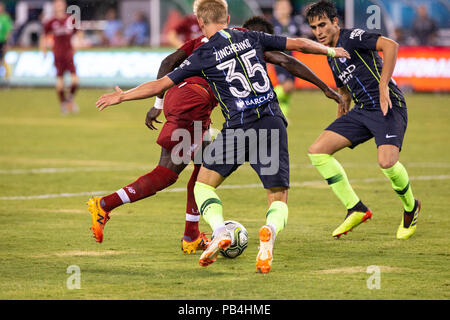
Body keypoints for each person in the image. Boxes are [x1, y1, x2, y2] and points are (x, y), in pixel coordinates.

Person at [94, 0, 349, 273]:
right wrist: (330, 51)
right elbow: (297, 45)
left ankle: (218, 230)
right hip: (272, 123)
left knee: (203, 185)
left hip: (238, 125)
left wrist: (123, 96)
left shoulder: (203, 53)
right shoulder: (251, 36)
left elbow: (162, 81)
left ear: (201, 24)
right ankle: (269, 234)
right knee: (278, 196)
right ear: (228, 18)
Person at [305, 0, 421, 240]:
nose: (319, 32)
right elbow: (344, 86)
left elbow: (391, 46)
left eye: (323, 25)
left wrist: (383, 85)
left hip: (387, 105)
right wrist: (343, 105)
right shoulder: (331, 54)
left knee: (387, 163)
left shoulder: (353, 37)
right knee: (317, 151)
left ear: (335, 22)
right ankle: (355, 208)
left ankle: (411, 207)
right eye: (314, 27)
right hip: (362, 110)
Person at [41, 0, 79, 115]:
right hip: (58, 54)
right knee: (60, 82)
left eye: (61, 5)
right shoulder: (51, 21)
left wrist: (77, 43)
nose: (59, 7)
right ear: (54, 7)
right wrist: (43, 50)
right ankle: (63, 103)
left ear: (64, 6)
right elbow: (44, 36)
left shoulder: (70, 19)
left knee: (75, 81)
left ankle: (70, 99)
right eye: (57, 5)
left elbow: (78, 33)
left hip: (69, 54)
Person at [271, 0, 301, 118]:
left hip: (291, 58)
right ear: (276, 8)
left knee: (290, 88)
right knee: (286, 86)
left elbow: (301, 37)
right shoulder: (272, 23)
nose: (284, 9)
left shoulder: (294, 23)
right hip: (278, 58)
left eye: (286, 6)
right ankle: (265, 99)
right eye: (281, 7)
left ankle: (282, 115)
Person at [0, 2, 12, 82]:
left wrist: (7, 43)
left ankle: (6, 78)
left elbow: (8, 31)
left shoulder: (5, 18)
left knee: (2, 60)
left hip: (2, 42)